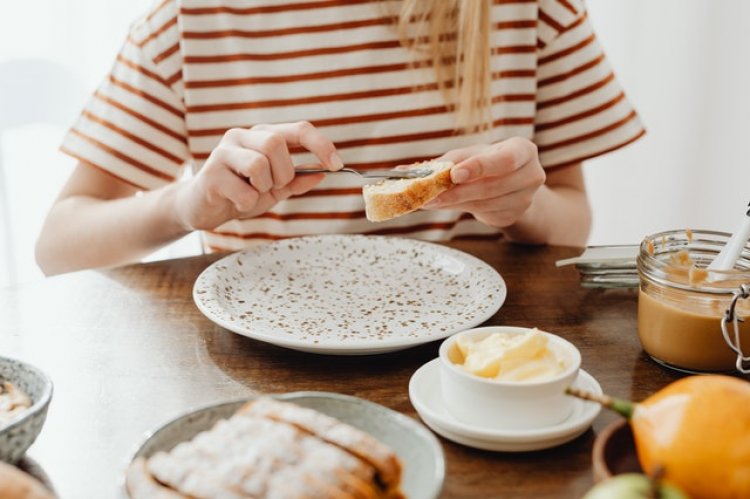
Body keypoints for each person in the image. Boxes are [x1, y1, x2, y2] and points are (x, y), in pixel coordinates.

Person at [35, 0, 644, 275]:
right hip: (256, 363)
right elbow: (58, 245)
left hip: (465, 361)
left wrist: (521, 205)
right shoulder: (185, 23)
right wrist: (185, 205)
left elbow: (574, 224)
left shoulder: (531, 10)